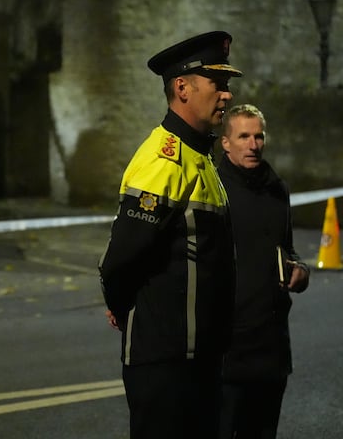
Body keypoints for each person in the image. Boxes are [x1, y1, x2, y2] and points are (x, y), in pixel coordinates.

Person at [98, 31, 241, 439]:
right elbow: (120, 261)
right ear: (182, 87)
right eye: (219, 84)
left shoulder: (199, 157)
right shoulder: (164, 160)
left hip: (200, 359)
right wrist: (127, 309)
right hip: (167, 364)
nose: (227, 96)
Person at [216, 103, 310, 439]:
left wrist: (300, 270)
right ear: (225, 142)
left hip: (270, 347)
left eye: (259, 136)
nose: (253, 144)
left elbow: (287, 249)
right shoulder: (212, 190)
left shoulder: (276, 189)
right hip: (226, 350)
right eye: (244, 136)